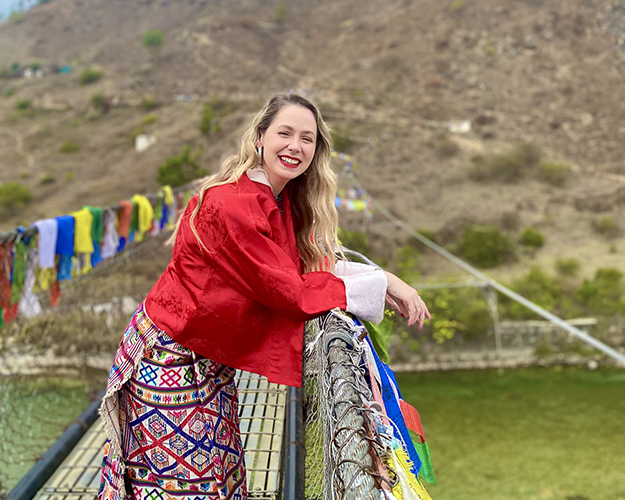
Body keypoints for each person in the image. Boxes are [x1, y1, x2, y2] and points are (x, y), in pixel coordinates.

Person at [97, 93, 431, 500]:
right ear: (259, 137)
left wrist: (385, 278)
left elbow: (296, 269)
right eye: (284, 133)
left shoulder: (279, 200)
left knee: (218, 476)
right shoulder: (234, 205)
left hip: (207, 359)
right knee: (182, 486)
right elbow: (290, 294)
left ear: (316, 150)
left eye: (307, 139)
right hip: (168, 358)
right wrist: (382, 285)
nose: (295, 146)